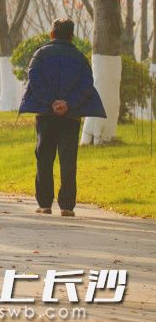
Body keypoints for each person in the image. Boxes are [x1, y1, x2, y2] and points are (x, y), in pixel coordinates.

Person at [19, 18, 105, 217]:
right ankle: (66, 206)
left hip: (45, 114)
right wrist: (67, 104)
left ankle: (45, 203)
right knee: (68, 159)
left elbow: (34, 80)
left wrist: (51, 102)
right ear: (71, 35)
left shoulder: (40, 55)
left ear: (52, 34)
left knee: (44, 157)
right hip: (71, 116)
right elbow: (86, 85)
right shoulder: (80, 57)